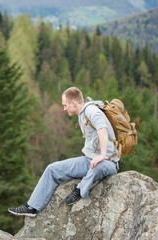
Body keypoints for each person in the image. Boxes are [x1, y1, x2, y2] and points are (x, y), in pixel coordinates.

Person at [8, 87, 119, 217]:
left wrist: (102, 155)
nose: (64, 109)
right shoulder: (83, 113)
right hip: (89, 160)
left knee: (97, 167)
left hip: (108, 162)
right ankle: (32, 207)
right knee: (52, 169)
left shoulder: (92, 111)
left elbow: (102, 129)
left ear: (73, 103)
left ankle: (79, 189)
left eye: (65, 105)